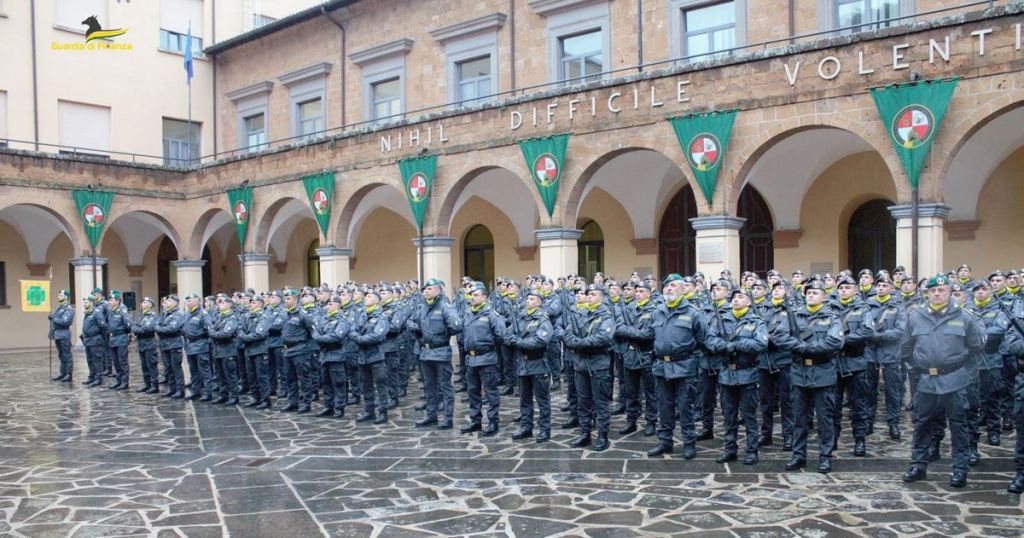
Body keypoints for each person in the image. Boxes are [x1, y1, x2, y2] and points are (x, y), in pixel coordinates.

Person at [900, 274, 985, 488]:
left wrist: (965, 374)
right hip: (927, 379)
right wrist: (916, 369)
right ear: (927, 293)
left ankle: (959, 469)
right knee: (922, 423)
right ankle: (918, 465)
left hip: (954, 379)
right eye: (933, 291)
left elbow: (976, 347)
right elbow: (906, 348)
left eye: (942, 290)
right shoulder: (915, 316)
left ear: (949, 292)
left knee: (958, 425)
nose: (937, 294)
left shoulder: (964, 316)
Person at [775, 279, 844, 473]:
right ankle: (799, 455)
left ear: (824, 296)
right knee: (799, 418)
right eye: (809, 292)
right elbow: (780, 336)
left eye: (815, 292)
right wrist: (800, 347)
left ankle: (825, 456)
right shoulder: (793, 316)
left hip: (823, 373)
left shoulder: (832, 317)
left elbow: (835, 341)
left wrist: (810, 348)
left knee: (824, 420)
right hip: (799, 373)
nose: (811, 295)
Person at [647, 274, 710, 459]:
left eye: (673, 285)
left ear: (683, 289)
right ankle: (665, 442)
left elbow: (703, 339)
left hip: (684, 366)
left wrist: (693, 360)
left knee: (685, 408)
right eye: (666, 286)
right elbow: (651, 335)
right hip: (662, 367)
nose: (668, 288)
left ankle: (689, 443)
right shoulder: (657, 311)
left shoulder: (693, 312)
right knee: (664, 407)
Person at [706, 288, 768, 465]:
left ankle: (751, 450)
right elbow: (709, 340)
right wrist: (723, 347)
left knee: (749, 415)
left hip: (747, 373)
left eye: (741, 297)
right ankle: (730, 449)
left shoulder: (756, 322)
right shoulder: (722, 319)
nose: (736, 300)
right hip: (726, 374)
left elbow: (760, 343)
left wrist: (737, 345)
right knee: (729, 416)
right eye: (734, 297)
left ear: (749, 302)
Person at [563, 284, 616, 451]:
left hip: (598, 364)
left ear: (601, 297)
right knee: (583, 402)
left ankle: (602, 436)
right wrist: (576, 343)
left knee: (600, 403)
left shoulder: (606, 316)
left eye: (593, 294)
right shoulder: (580, 314)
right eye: (588, 294)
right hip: (581, 364)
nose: (589, 297)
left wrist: (580, 344)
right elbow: (568, 333)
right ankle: (585, 433)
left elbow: (604, 337)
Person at [407, 279, 461, 429]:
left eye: (429, 289)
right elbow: (409, 322)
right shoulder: (420, 307)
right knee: (429, 386)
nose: (426, 291)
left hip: (441, 351)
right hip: (425, 352)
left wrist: (442, 335)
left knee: (445, 386)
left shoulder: (445, 306)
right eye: (424, 289)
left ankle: (448, 418)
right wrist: (417, 329)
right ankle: (431, 416)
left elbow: (456, 325)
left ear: (438, 290)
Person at [506, 289, 554, 442]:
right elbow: (507, 335)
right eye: (528, 299)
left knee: (542, 400)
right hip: (522, 364)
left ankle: (545, 429)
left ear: (539, 302)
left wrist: (519, 342)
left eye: (533, 299)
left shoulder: (543, 319)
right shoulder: (520, 317)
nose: (529, 301)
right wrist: (512, 339)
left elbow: (540, 341)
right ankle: (526, 427)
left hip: (538, 363)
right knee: (524, 400)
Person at [460, 281, 507, 437]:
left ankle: (493, 421)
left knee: (490, 392)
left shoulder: (491, 314)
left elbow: (501, 335)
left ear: (484, 297)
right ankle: (475, 421)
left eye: (475, 295)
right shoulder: (467, 313)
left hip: (487, 358)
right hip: (471, 359)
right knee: (473, 391)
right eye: (471, 295)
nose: (472, 298)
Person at [615, 281, 658, 437]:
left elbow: (649, 334)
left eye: (641, 291)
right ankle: (631, 420)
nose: (638, 294)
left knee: (650, 392)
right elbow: (618, 328)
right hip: (631, 355)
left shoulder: (654, 310)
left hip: (646, 355)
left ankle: (651, 421)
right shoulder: (628, 309)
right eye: (637, 291)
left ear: (649, 293)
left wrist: (630, 333)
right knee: (631, 392)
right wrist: (635, 333)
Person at [350, 289, 391, 424]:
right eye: (365, 296)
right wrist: (358, 337)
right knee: (366, 385)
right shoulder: (361, 314)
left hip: (376, 356)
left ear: (377, 301)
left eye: (369, 296)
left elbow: (377, 336)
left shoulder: (381, 317)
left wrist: (359, 339)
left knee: (381, 385)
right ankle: (369, 411)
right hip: (362, 356)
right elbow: (351, 330)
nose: (366, 298)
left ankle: (383, 412)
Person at [313, 294, 351, 418]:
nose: (327, 306)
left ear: (338, 305)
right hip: (325, 355)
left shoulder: (342, 319)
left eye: (330, 304)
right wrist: (319, 337)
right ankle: (328, 406)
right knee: (326, 382)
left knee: (338, 382)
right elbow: (316, 330)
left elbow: (337, 336)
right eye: (327, 304)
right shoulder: (325, 318)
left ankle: (339, 407)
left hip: (336, 355)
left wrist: (319, 338)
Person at [239, 294, 272, 409]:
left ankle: (265, 399)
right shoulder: (247, 315)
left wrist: (244, 337)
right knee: (251, 376)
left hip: (259, 350)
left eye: (253, 302)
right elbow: (240, 328)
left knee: (261, 376)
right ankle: (255, 397)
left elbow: (260, 334)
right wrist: (243, 335)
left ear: (260, 304)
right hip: (249, 350)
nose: (251, 304)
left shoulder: (264, 316)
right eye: (251, 302)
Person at [208, 294, 241, 405]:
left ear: (229, 305)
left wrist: (213, 334)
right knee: (220, 376)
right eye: (219, 302)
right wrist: (214, 333)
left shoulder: (232, 318)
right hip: (218, 350)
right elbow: (211, 328)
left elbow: (226, 334)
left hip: (228, 350)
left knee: (230, 375)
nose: (220, 305)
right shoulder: (219, 317)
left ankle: (234, 396)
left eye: (222, 303)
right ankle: (223, 395)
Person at [182, 293, 212, 400]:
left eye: (190, 301)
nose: (188, 303)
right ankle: (196, 391)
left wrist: (198, 336)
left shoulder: (203, 314)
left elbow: (208, 329)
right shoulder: (187, 314)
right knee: (193, 371)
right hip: (190, 346)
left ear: (196, 301)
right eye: (187, 301)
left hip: (200, 345)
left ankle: (208, 392)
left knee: (204, 370)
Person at [154, 295, 186, 399]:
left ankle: (180, 390)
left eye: (169, 301)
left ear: (175, 303)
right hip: (165, 344)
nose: (166, 303)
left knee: (176, 368)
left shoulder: (178, 314)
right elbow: (156, 325)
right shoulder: (164, 313)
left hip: (174, 344)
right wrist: (161, 328)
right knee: (168, 368)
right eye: (166, 301)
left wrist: (160, 329)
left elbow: (172, 328)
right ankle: (172, 389)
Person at [132, 297, 160, 394]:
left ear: (150, 305)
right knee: (144, 366)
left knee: (151, 365)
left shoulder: (152, 316)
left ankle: (155, 385)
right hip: (141, 343)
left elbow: (147, 328)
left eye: (145, 302)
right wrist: (137, 329)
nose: (142, 304)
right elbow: (133, 326)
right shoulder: (141, 316)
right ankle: (147, 384)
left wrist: (138, 329)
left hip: (149, 342)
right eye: (142, 302)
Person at [48, 289, 74, 382]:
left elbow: (64, 322)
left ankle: (68, 374)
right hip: (58, 334)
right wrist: (51, 331)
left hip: (64, 334)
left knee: (67, 355)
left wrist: (53, 318)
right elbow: (54, 322)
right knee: (61, 355)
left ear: (66, 297)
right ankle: (62, 373)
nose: (58, 296)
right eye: (58, 295)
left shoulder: (68, 309)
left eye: (61, 295)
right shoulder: (58, 308)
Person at [80, 297, 107, 387]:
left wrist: (101, 337)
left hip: (95, 340)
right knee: (90, 360)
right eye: (84, 302)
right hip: (88, 340)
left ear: (91, 303)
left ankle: (98, 378)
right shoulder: (87, 313)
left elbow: (103, 326)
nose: (84, 304)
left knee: (97, 360)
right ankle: (92, 377)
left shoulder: (96, 312)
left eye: (86, 302)